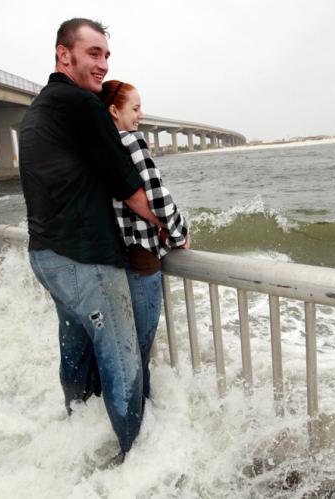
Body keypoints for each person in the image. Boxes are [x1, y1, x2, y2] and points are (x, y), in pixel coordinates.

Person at [18, 18, 163, 460]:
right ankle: (133, 464)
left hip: (47, 256)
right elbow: (131, 188)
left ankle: (76, 428)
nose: (102, 64)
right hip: (88, 261)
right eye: (93, 53)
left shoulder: (38, 110)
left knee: (76, 348)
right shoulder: (83, 106)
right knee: (123, 364)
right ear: (64, 54)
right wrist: (168, 227)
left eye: (106, 55)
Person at [98, 80, 190, 400]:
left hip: (114, 254)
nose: (140, 114)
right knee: (140, 345)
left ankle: (119, 406)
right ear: (114, 110)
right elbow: (157, 197)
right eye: (135, 108)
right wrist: (179, 233)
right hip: (142, 255)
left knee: (121, 340)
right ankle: (140, 411)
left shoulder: (102, 147)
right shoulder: (132, 142)